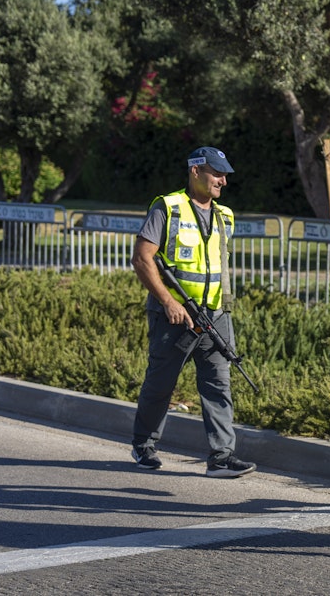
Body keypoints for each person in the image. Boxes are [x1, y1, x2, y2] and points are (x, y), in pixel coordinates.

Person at [129, 146, 256, 479]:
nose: (223, 181)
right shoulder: (168, 207)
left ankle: (221, 457)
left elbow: (222, 269)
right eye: (217, 173)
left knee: (218, 384)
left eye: (225, 174)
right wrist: (168, 302)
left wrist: (225, 311)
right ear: (196, 171)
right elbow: (143, 259)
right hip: (174, 316)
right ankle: (144, 445)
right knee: (161, 384)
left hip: (214, 315)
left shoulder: (225, 216)